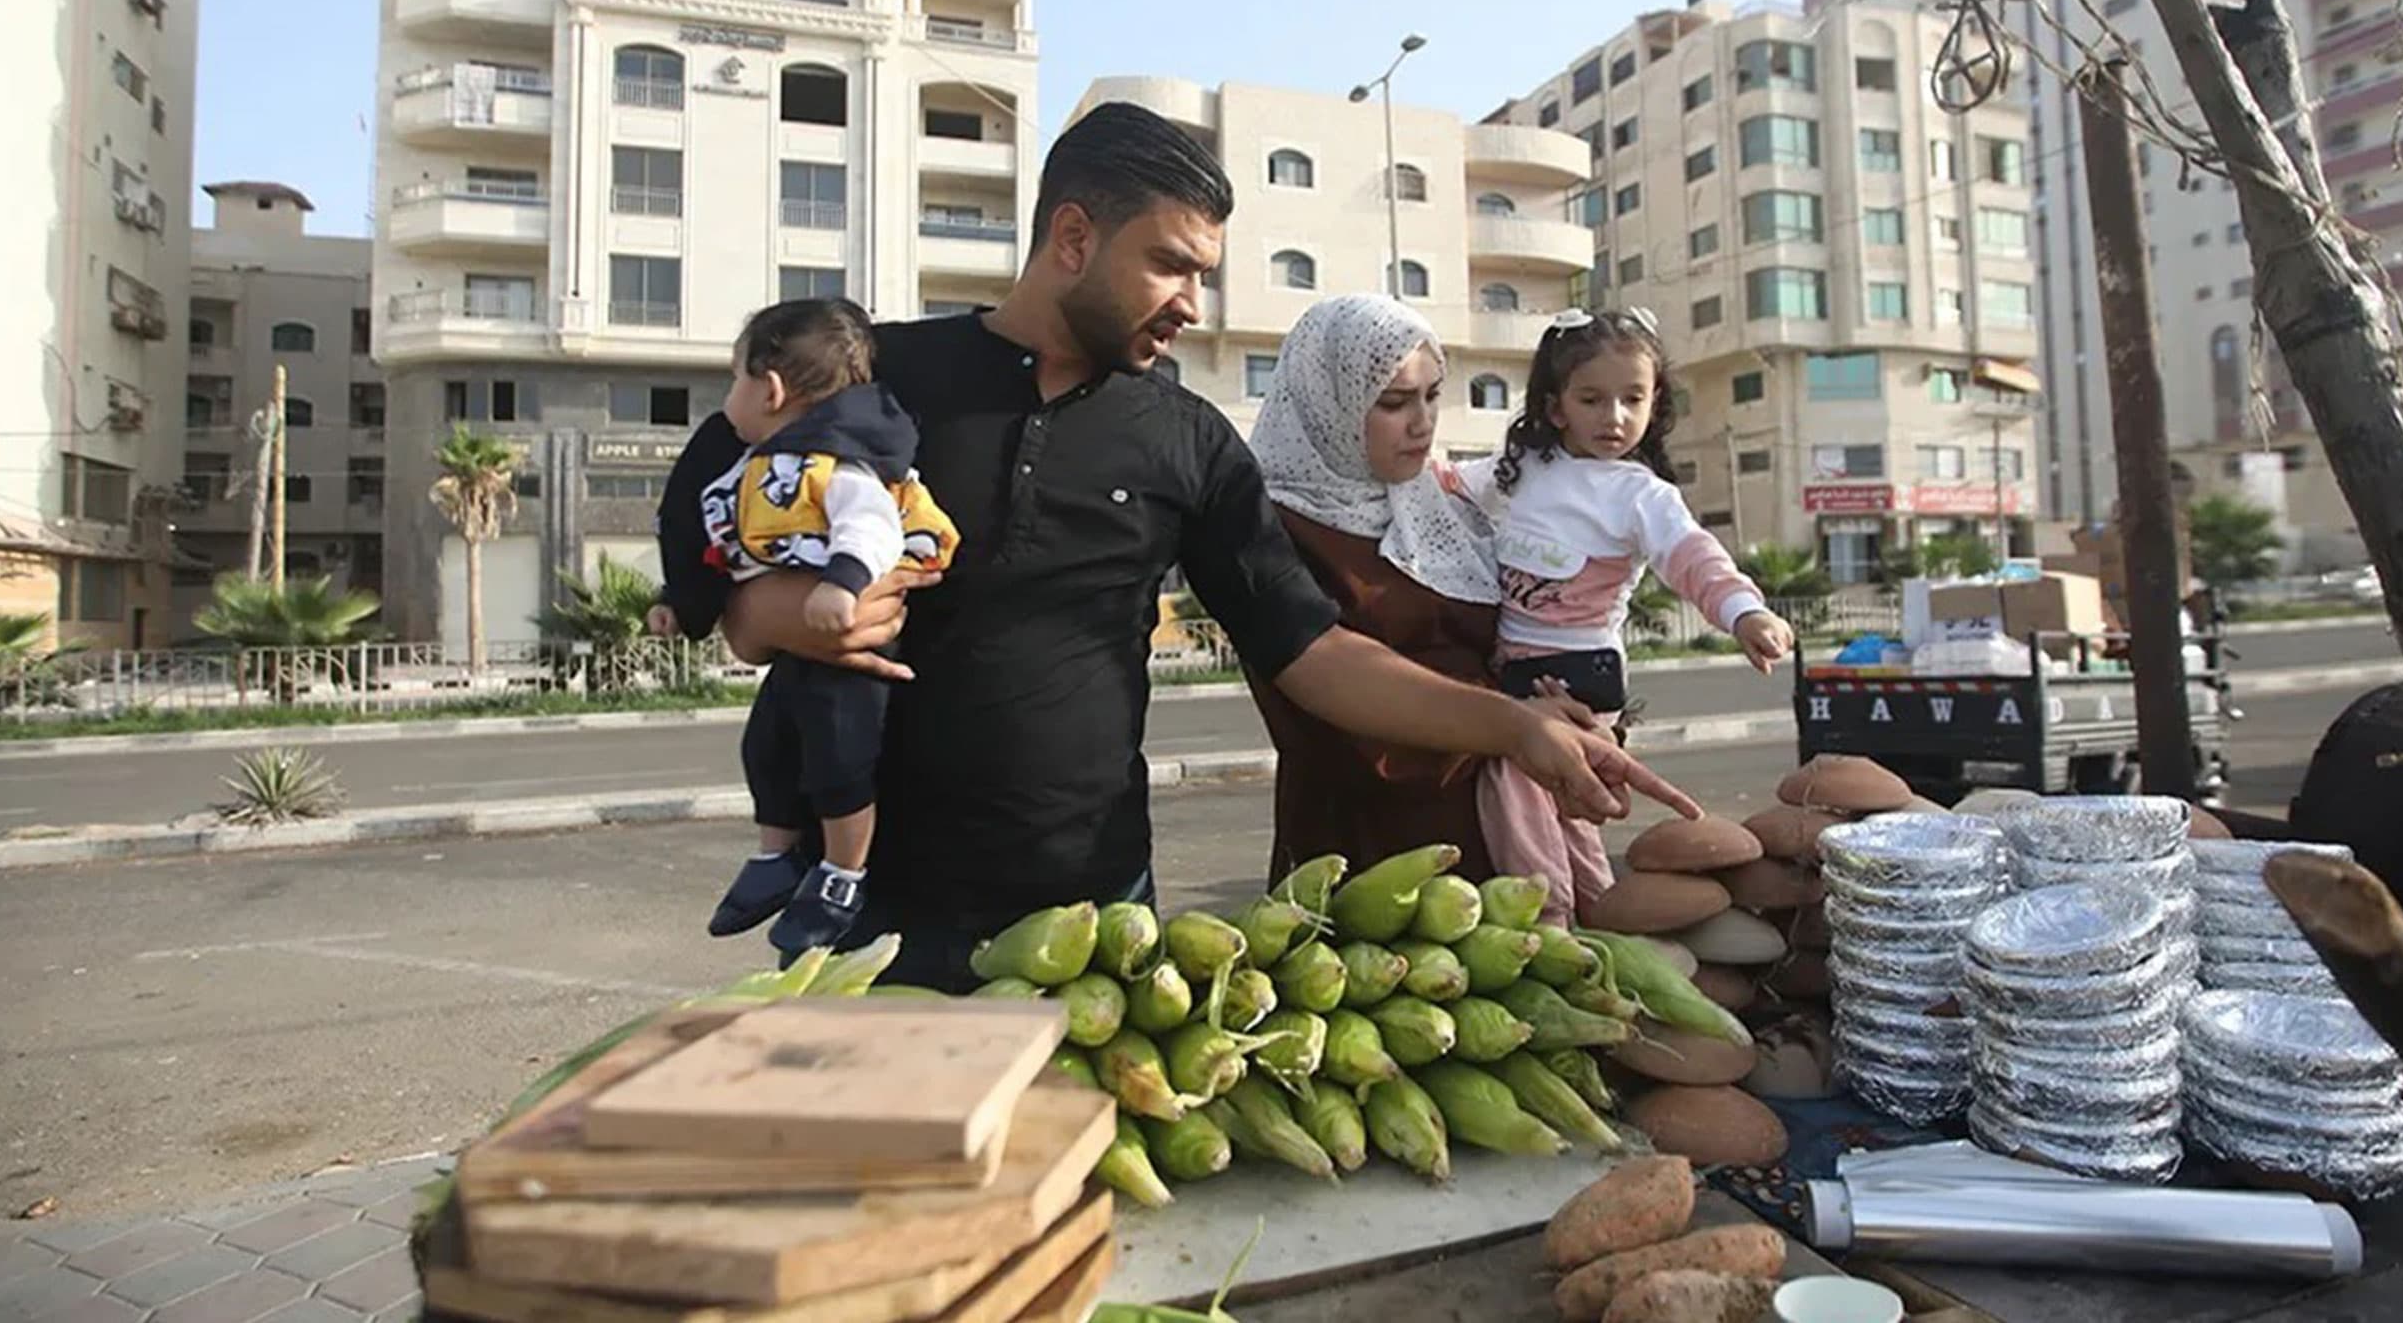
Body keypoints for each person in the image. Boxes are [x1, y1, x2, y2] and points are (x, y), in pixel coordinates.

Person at [664, 102, 1700, 988]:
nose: (1190, 303)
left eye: (1202, 271)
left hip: (1094, 912)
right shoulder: (873, 372)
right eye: (1168, 264)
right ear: (1072, 236)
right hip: (872, 905)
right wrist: (761, 616)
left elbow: (1313, 649)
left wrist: (1511, 728)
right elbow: (711, 530)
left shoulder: (1189, 438)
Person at [1452, 308, 1796, 924]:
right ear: (1556, 408)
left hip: (1579, 670)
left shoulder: (1643, 495)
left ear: (1654, 403)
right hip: (1509, 667)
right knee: (1573, 802)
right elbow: (1445, 485)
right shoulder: (1520, 471)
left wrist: (1744, 612)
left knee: (1518, 785)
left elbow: (1694, 557)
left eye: (1631, 399)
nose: (1614, 417)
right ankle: (1608, 914)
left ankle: (1546, 921)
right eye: (1592, 399)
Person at [648, 299, 961, 959]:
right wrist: (680, 599)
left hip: (854, 650)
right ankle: (776, 857)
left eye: (734, 380)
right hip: (799, 652)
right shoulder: (758, 466)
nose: (727, 400)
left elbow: (872, 524)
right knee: (767, 747)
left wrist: (842, 581)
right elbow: (722, 545)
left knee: (839, 764)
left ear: (771, 389)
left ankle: (842, 876)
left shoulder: (836, 460)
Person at [1246, 293, 1551, 885]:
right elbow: (1338, 713)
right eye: (1393, 402)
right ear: (1327, 405)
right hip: (1366, 851)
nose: (1423, 422)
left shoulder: (1439, 506)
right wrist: (1514, 722)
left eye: (1433, 395)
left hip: (1492, 829)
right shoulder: (1275, 528)